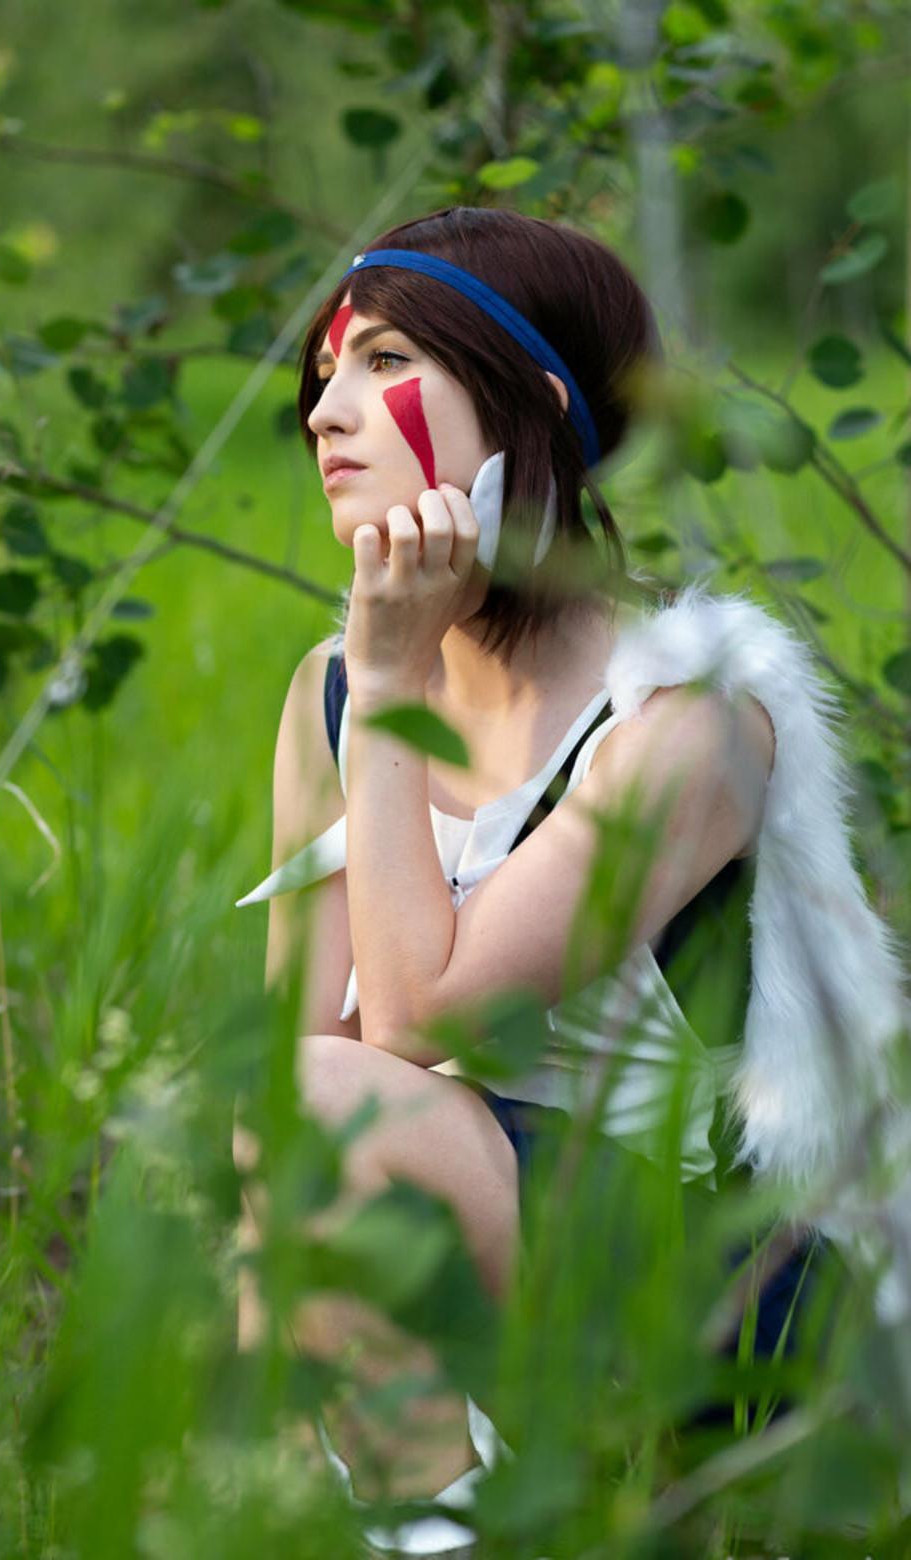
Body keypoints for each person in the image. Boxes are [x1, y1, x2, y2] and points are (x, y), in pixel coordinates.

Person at [232, 206, 908, 1555]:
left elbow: (413, 1025)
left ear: (531, 408)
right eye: (325, 374)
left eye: (386, 362)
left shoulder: (690, 715)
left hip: (738, 1295)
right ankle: (417, 1519)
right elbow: (299, 1071)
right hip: (488, 1226)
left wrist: (393, 688)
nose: (326, 412)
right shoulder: (328, 694)